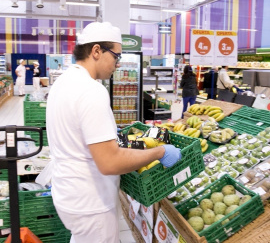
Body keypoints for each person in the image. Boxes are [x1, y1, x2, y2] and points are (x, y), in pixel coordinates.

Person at [42, 22, 181, 243]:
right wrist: (160, 152)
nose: (118, 63)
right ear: (96, 51)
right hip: (91, 202)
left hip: (68, 192)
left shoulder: (64, 82)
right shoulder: (91, 90)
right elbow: (110, 162)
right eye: (116, 56)